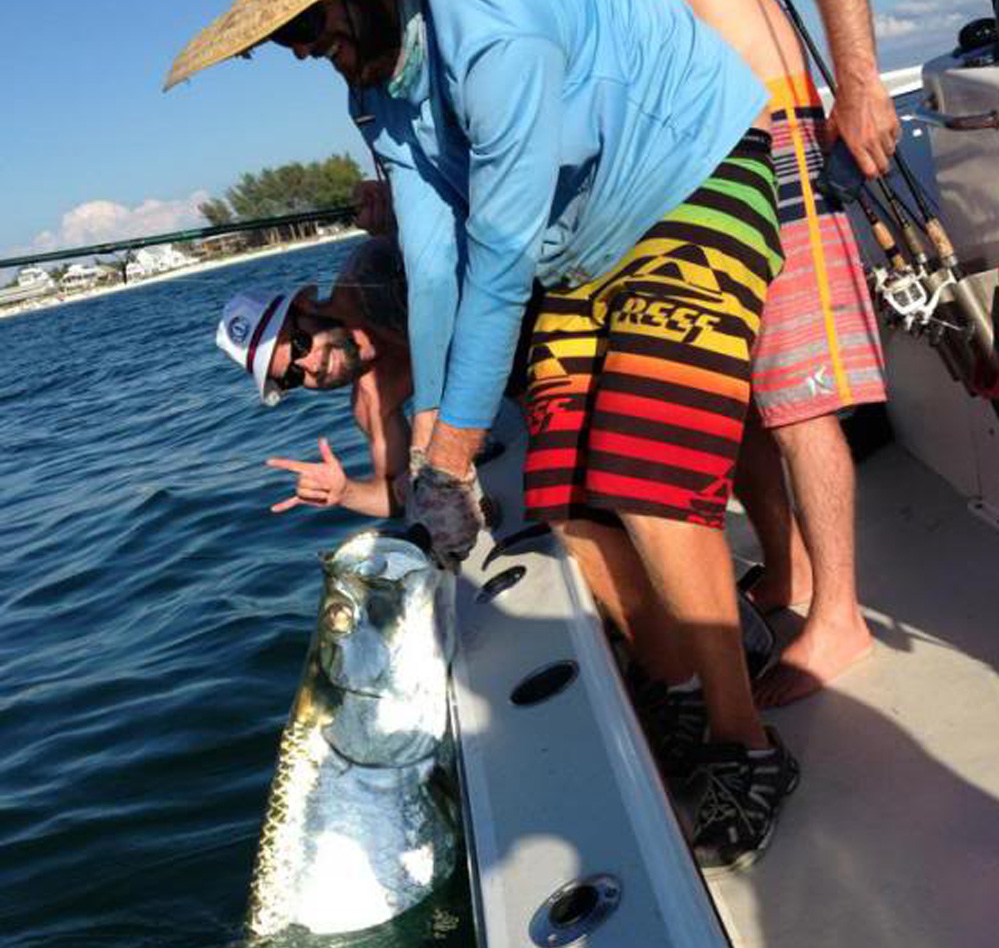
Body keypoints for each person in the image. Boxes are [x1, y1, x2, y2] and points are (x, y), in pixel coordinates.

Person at [168, 0, 799, 869]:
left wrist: (454, 459)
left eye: (309, 25)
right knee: (566, 506)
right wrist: (432, 453)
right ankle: (681, 681)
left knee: (644, 473)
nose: (309, 50)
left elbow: (497, 257)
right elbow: (434, 267)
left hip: (690, 178)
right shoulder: (378, 93)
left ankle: (747, 744)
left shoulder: (492, 34)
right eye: (288, 41)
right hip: (582, 248)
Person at [687, 0, 896, 709]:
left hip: (769, 137)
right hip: (702, 154)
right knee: (743, 391)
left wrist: (859, 81)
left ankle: (840, 617)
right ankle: (790, 570)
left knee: (797, 399)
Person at [215, 237, 414, 518]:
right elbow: (400, 497)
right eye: (292, 375)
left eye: (299, 344)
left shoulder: (371, 273)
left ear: (306, 305)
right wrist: (346, 493)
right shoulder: (371, 405)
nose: (311, 367)